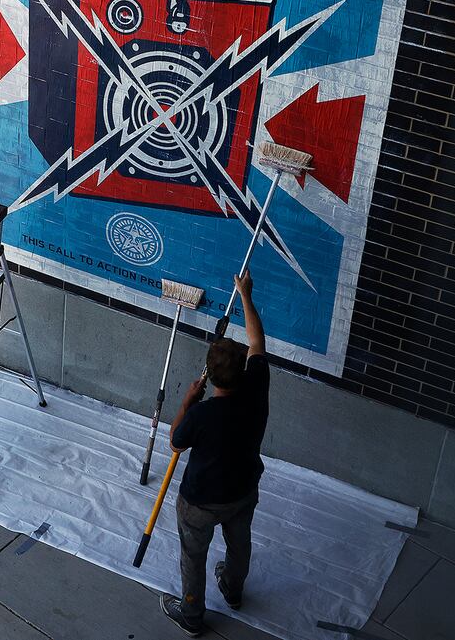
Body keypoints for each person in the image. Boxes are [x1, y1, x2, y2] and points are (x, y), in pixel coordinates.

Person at [161, 270, 269, 636]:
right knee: (239, 544)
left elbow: (175, 441)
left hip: (200, 502)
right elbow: (257, 340)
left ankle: (191, 615)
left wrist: (187, 402)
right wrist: (245, 296)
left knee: (194, 557)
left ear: (213, 379)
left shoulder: (203, 414)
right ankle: (233, 589)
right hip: (242, 492)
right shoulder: (257, 386)